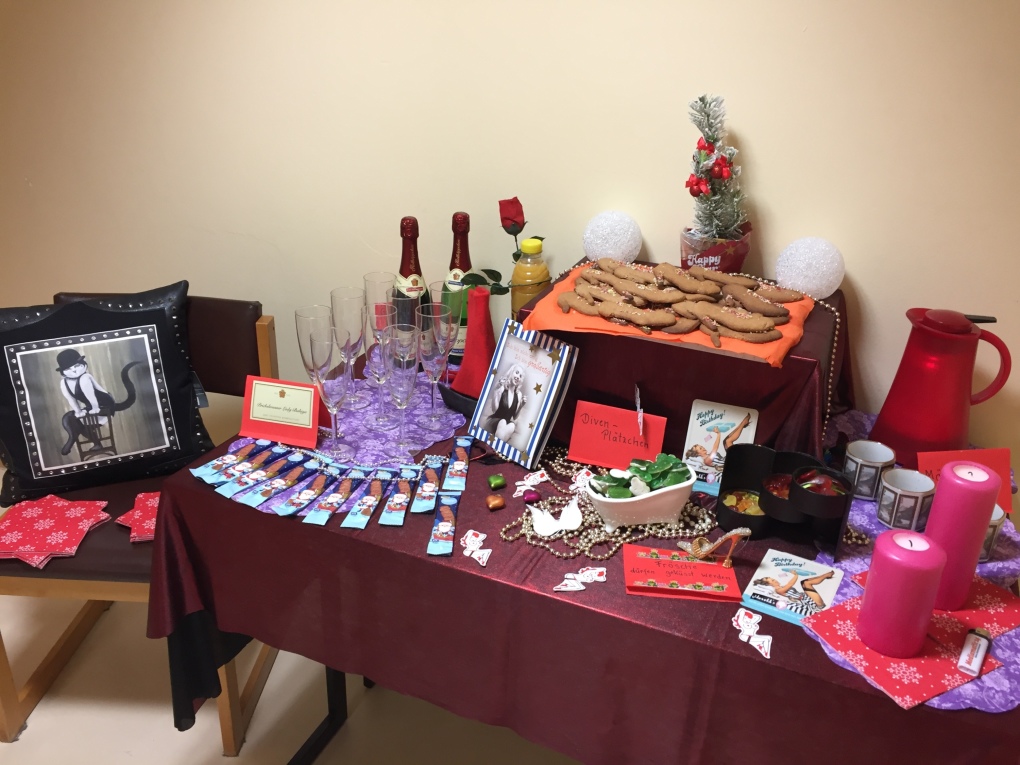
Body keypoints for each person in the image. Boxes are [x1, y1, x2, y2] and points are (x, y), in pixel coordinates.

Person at [684, 412, 752, 476]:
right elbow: (715, 449)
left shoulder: (708, 455)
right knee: (728, 441)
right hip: (732, 463)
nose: (703, 448)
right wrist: (718, 434)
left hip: (729, 459)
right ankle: (743, 423)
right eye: (700, 448)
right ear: (698, 454)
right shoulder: (706, 461)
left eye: (701, 446)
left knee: (725, 441)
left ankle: (742, 424)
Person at [753, 569, 835, 616]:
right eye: (773, 581)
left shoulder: (782, 587)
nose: (776, 580)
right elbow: (790, 584)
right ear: (769, 584)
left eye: (774, 579)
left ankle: (826, 575)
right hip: (812, 604)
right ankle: (826, 575)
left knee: (804, 582)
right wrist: (796, 575)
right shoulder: (778, 590)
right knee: (806, 583)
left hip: (808, 598)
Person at [484, 363, 527, 443]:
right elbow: (495, 409)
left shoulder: (518, 395)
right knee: (502, 422)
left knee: (512, 425)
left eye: (520, 376)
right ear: (511, 372)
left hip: (507, 425)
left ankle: (496, 445)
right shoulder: (502, 388)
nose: (518, 377)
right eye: (517, 373)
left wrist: (521, 405)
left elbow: (514, 417)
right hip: (495, 422)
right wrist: (496, 391)